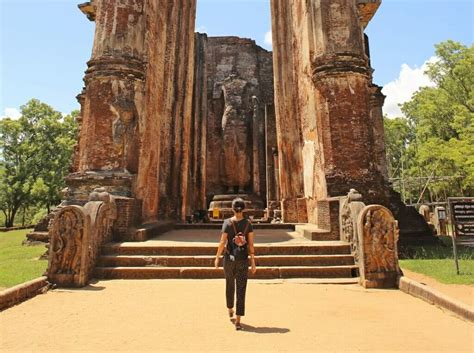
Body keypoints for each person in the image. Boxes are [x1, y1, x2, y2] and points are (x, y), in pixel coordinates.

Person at [214, 197, 257, 330]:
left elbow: (222, 242)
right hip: (243, 259)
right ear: (244, 209)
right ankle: (238, 320)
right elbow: (250, 244)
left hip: (229, 259)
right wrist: (253, 261)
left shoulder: (227, 223)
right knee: (241, 288)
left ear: (232, 209)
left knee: (229, 283)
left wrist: (217, 257)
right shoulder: (248, 224)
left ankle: (230, 308)